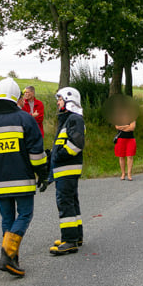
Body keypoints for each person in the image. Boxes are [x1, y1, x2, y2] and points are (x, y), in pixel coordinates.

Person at [0, 78, 49, 277]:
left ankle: (12, 260)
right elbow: (36, 151)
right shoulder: (25, 119)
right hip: (22, 178)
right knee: (25, 215)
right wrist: (42, 173)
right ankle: (7, 255)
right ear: (16, 97)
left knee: (7, 219)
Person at [49, 87, 86, 256]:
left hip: (66, 168)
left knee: (65, 202)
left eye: (60, 99)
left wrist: (59, 156)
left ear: (69, 101)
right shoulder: (69, 118)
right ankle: (75, 236)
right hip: (66, 168)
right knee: (71, 201)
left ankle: (69, 241)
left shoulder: (73, 118)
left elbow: (77, 143)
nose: (58, 103)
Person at [115, 112, 136, 181]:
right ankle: (123, 173)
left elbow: (132, 128)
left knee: (130, 156)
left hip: (130, 139)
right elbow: (117, 127)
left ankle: (129, 174)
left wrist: (122, 127)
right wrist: (127, 126)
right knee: (121, 156)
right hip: (121, 139)